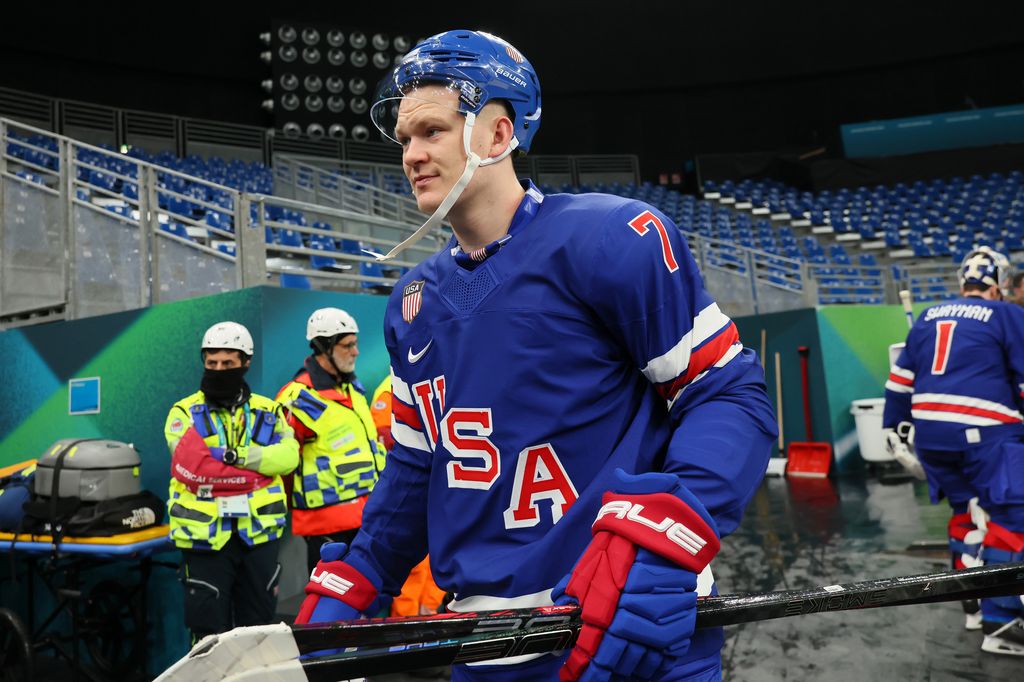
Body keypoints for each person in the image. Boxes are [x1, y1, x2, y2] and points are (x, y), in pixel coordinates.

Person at [294, 30, 777, 682]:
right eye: (405, 138)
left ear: (498, 135)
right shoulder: (411, 302)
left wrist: (673, 528)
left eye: (431, 131)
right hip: (482, 642)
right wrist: (364, 570)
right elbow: (416, 467)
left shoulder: (610, 238)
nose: (410, 154)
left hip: (624, 620)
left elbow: (728, 394)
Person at [884, 246, 1024, 656]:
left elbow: (898, 384)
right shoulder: (1007, 314)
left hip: (932, 439)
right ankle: (1004, 623)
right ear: (996, 286)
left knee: (966, 513)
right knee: (1012, 519)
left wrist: (893, 430)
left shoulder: (927, 316)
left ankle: (973, 605)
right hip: (986, 434)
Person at [165, 321, 299, 643]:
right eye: (212, 363)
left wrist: (235, 457)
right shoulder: (183, 412)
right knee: (207, 633)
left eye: (228, 363)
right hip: (205, 541)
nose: (218, 369)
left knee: (259, 630)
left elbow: (289, 457)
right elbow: (193, 467)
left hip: (258, 536)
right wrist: (259, 468)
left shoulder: (270, 410)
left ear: (246, 363)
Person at [277, 307, 385, 574]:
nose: (356, 352)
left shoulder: (353, 390)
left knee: (369, 599)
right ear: (323, 347)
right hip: (326, 526)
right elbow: (284, 469)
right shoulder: (296, 399)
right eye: (347, 346)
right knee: (332, 605)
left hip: (368, 517)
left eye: (355, 344)